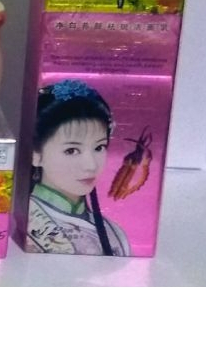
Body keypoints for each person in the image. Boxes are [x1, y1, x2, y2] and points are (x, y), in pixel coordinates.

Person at [27, 79, 130, 256]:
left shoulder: (113, 232)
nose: (91, 165)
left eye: (99, 147)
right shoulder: (27, 224)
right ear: (35, 154)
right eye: (72, 150)